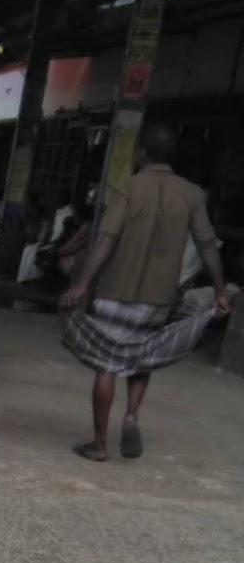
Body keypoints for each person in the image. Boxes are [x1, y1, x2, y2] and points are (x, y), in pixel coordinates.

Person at [60, 123, 230, 461]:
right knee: (142, 356)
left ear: (142, 153)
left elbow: (106, 239)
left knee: (107, 364)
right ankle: (132, 414)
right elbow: (207, 244)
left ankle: (100, 443)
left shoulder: (128, 187)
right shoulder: (193, 194)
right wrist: (221, 291)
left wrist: (81, 284)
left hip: (114, 290)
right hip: (158, 297)